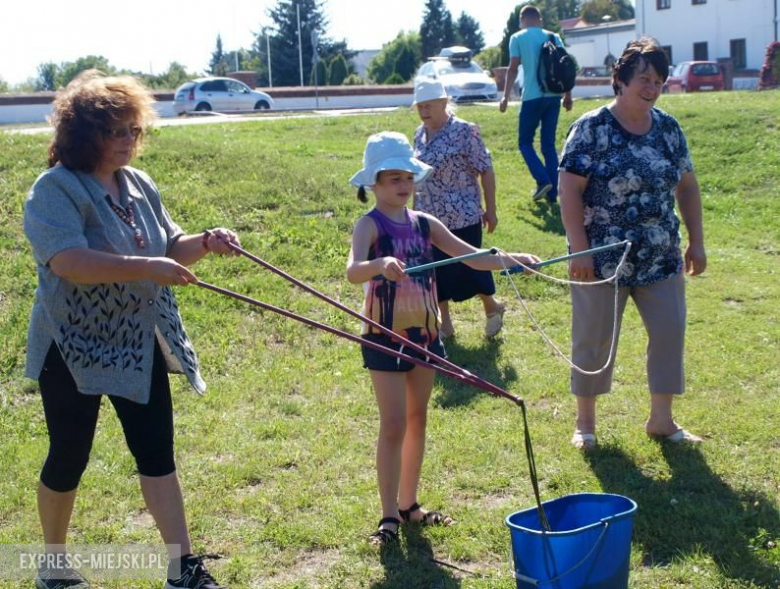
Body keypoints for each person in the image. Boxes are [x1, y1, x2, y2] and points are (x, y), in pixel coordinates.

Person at [23, 70, 239, 589]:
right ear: (83, 133)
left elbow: (169, 246)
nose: (127, 141)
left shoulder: (139, 184)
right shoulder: (55, 189)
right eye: (115, 131)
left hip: (137, 340)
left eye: (133, 131)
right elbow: (68, 261)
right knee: (69, 453)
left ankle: (181, 568)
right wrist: (147, 268)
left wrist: (205, 242)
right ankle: (53, 567)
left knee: (156, 449)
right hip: (71, 343)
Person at [346, 131, 540, 545]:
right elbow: (352, 271)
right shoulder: (369, 225)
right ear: (373, 184)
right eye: (392, 178)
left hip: (426, 334)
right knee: (394, 423)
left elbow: (471, 256)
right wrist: (379, 264)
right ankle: (387, 517)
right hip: (385, 335)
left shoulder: (424, 223)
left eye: (407, 177)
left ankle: (409, 505)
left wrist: (513, 260)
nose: (402, 185)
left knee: (418, 419)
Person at [558, 38, 707, 451]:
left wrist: (696, 241)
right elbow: (568, 190)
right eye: (643, 78)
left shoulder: (669, 129)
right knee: (593, 338)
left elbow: (688, 187)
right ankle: (585, 424)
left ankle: (662, 420)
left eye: (658, 80)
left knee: (669, 332)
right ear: (620, 80)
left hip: (660, 255)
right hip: (601, 259)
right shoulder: (591, 128)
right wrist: (579, 248)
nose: (652, 87)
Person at [411, 79, 506, 339]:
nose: (424, 110)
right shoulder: (418, 134)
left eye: (429, 105)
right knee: (435, 272)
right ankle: (445, 325)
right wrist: (411, 213)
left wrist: (491, 209)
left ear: (444, 103)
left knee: (472, 266)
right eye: (420, 106)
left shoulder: (464, 131)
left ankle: (492, 308)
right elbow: (414, 177)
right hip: (428, 217)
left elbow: (485, 168)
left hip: (462, 215)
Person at [500, 4, 573, 204]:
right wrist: (568, 95)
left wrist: (505, 97)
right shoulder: (553, 36)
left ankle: (542, 180)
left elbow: (513, 68)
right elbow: (565, 66)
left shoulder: (517, 37)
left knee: (525, 142)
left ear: (522, 20)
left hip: (532, 96)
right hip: (553, 96)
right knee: (548, 145)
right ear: (539, 19)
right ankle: (551, 193)